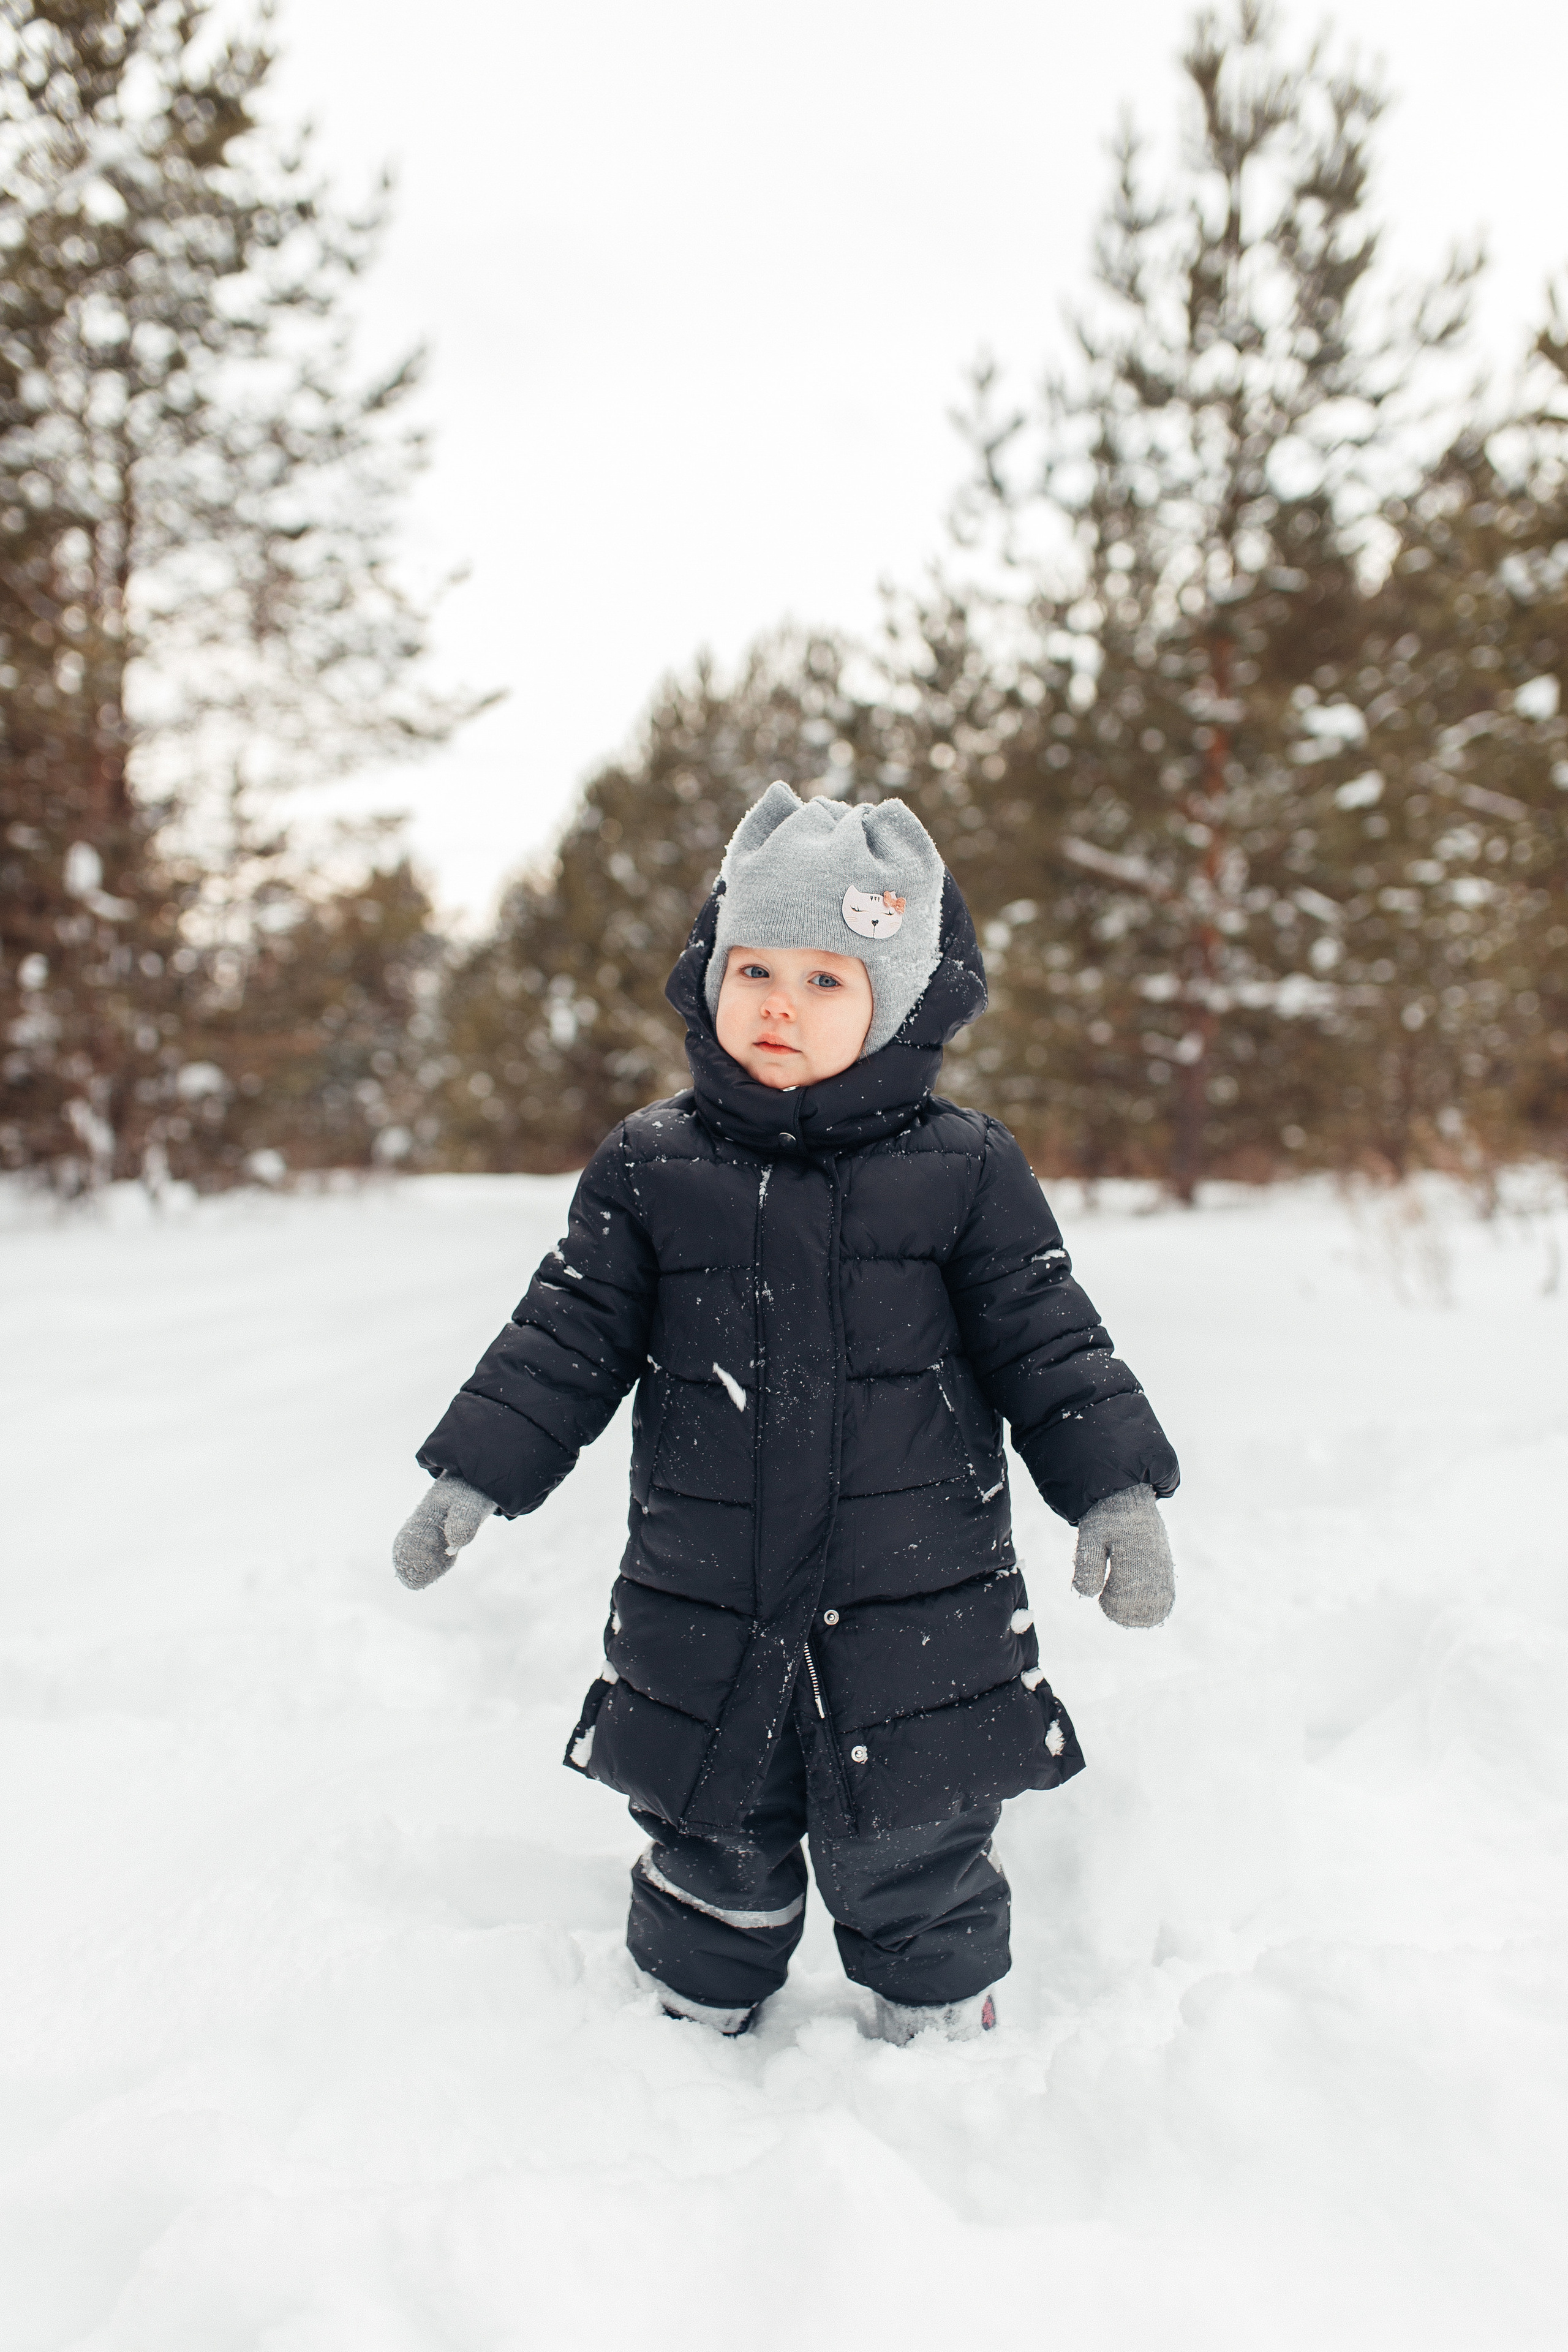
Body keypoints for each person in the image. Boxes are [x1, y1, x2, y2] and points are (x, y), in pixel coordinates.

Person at [393, 784, 1179, 2043]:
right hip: (707, 1587)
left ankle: (933, 2021)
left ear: (901, 996)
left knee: (919, 1838)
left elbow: (1048, 1340)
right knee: (709, 1822)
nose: (776, 1003)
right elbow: (563, 1336)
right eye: (753, 965)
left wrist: (1113, 1488)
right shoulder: (654, 1169)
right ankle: (693, 2005)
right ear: (708, 972)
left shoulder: (966, 1171)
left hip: (916, 1592)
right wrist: (472, 1473)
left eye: (826, 979)